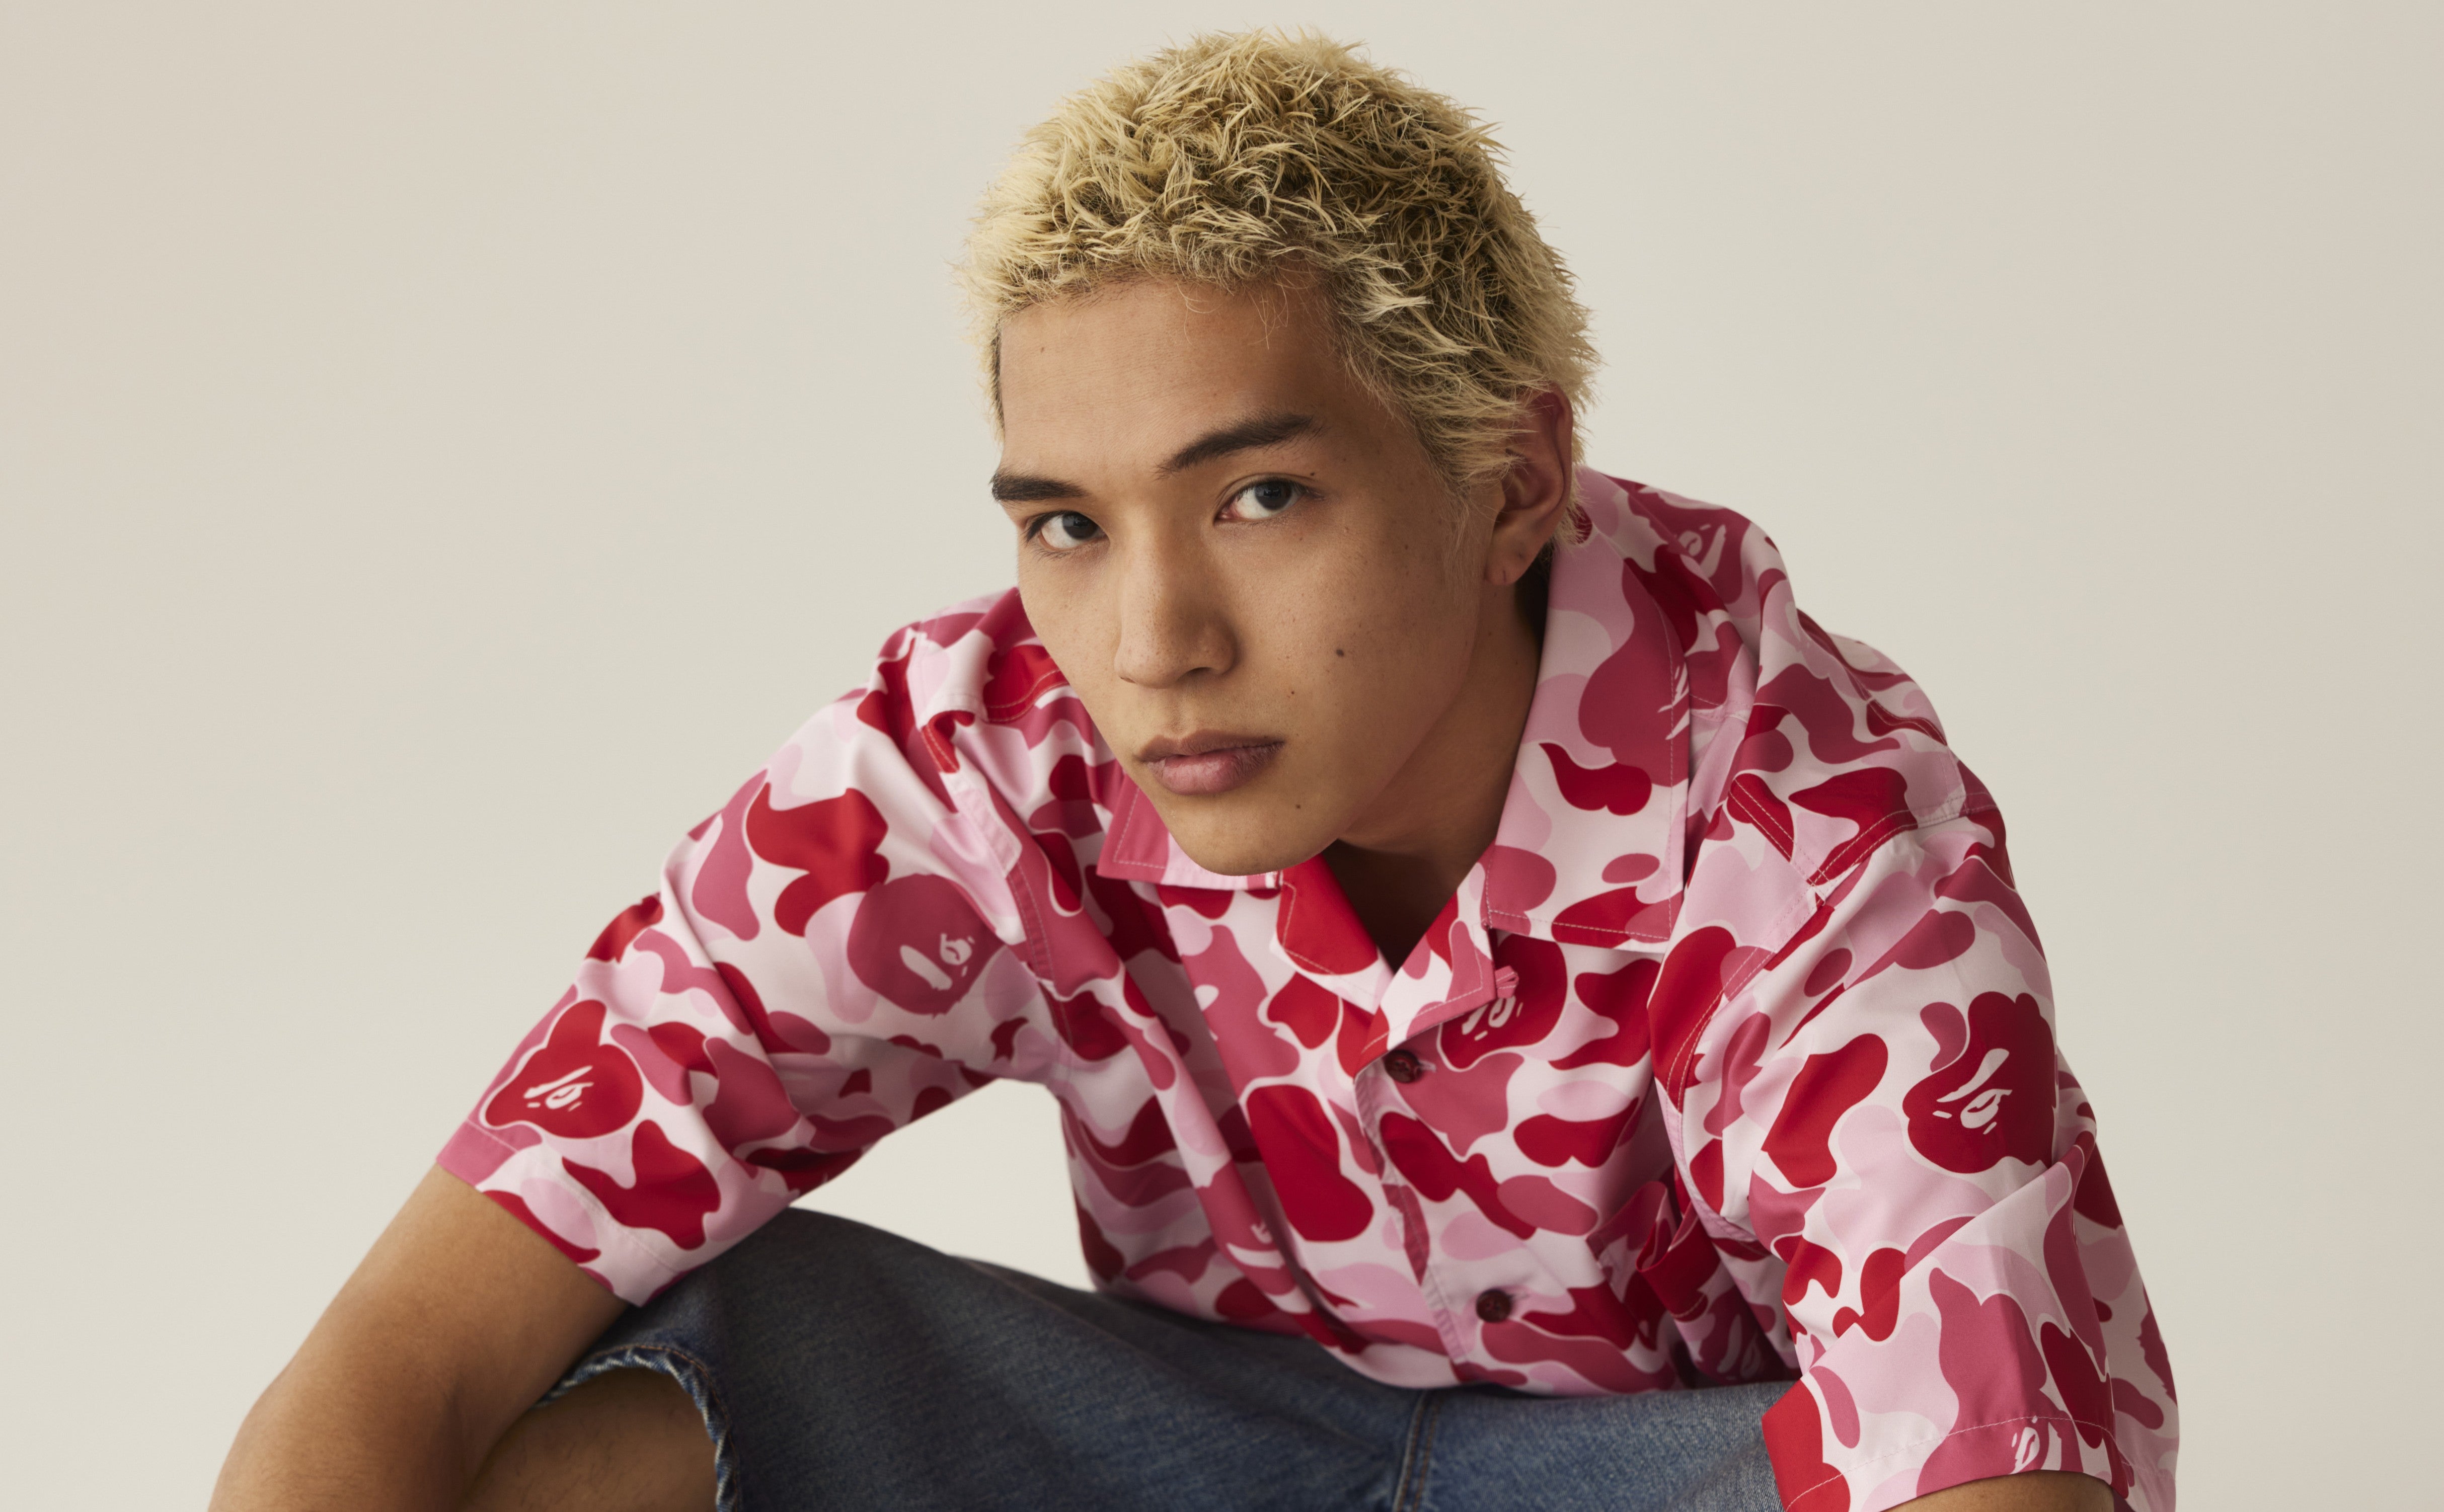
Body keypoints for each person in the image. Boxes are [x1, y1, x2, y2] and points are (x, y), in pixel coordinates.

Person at [212, 30, 2176, 1512]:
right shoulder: (981, 762)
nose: (1153, 639)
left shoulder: (1805, 816)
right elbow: (399, 1353)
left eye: (1259, 496)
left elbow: (1984, 1453)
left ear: (1512, 481)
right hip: (1201, 1454)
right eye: (1069, 524)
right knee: (678, 1359)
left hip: (1670, 1476)